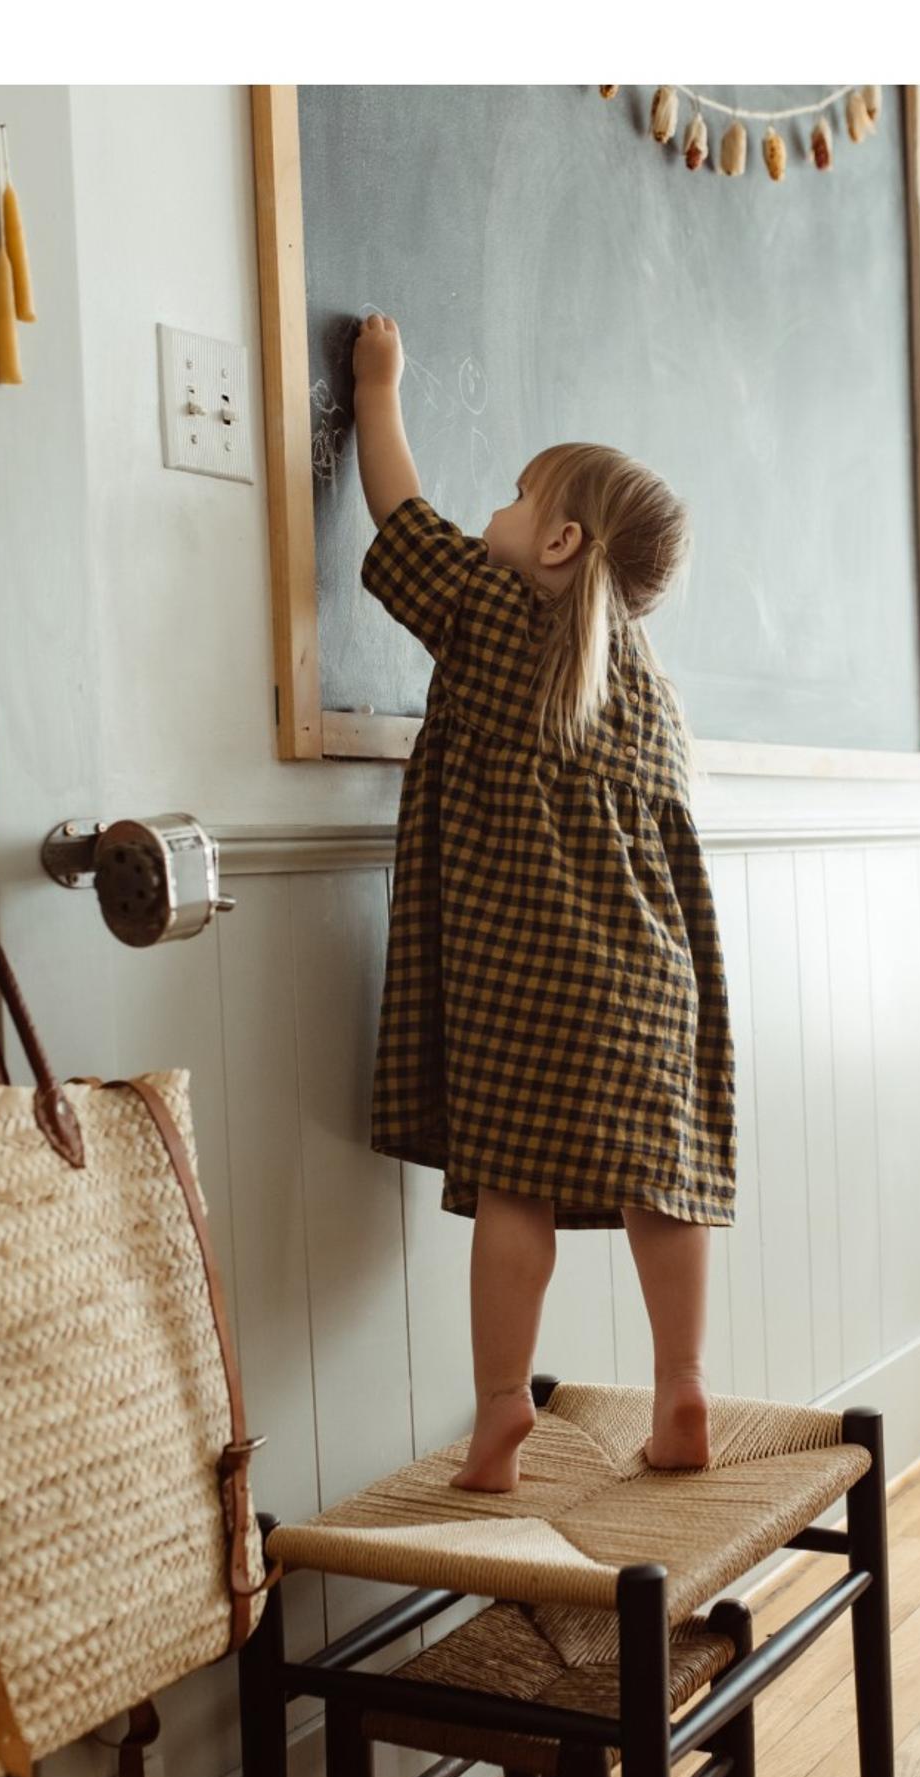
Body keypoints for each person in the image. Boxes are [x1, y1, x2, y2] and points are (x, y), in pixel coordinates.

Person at [347, 312, 734, 1493]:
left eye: (514, 501)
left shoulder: (492, 617)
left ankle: (502, 1411)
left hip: (521, 985)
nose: (490, 517)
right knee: (658, 1185)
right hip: (650, 984)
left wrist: (377, 391)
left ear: (558, 542)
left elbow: (395, 509)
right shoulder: (650, 689)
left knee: (514, 1193)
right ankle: (681, 1388)